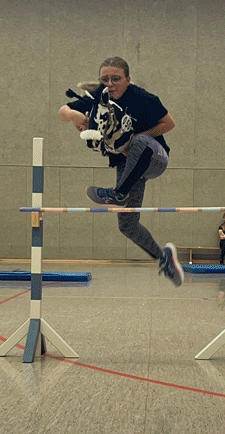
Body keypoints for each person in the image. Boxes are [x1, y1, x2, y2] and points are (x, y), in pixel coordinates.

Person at [58, 56, 183, 287]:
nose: (110, 84)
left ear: (128, 79)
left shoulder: (143, 98)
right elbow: (62, 111)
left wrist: (139, 136)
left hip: (154, 157)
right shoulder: (99, 96)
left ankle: (118, 193)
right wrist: (75, 115)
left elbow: (169, 123)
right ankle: (163, 258)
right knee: (127, 224)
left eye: (116, 79)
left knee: (140, 142)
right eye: (104, 79)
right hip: (128, 166)